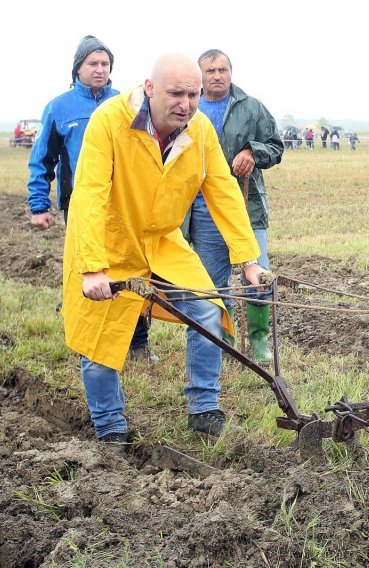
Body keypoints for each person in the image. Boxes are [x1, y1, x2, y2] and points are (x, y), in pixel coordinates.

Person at [63, 53, 271, 451]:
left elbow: (223, 190)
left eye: (193, 95)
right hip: (108, 244)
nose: (186, 104)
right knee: (100, 337)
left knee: (208, 306)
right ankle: (109, 424)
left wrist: (248, 259)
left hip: (162, 242)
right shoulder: (109, 122)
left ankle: (204, 407)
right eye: (176, 93)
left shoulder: (199, 129)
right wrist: (92, 269)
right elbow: (89, 193)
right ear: (149, 88)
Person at [27, 35, 156, 363]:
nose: (100, 70)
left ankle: (138, 343)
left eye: (105, 64)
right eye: (92, 64)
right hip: (81, 205)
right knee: (90, 268)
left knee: (133, 270)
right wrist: (38, 205)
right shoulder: (59, 108)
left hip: (126, 205)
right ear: (77, 68)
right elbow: (42, 159)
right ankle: (90, 340)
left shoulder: (127, 104)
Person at [183, 48, 284, 363]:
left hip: (247, 206)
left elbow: (275, 147)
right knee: (212, 282)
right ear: (200, 76)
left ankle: (258, 340)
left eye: (222, 70)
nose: (217, 76)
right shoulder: (187, 109)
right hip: (201, 210)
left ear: (231, 72)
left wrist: (253, 152)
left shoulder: (251, 108)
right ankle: (223, 338)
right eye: (210, 71)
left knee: (258, 276)